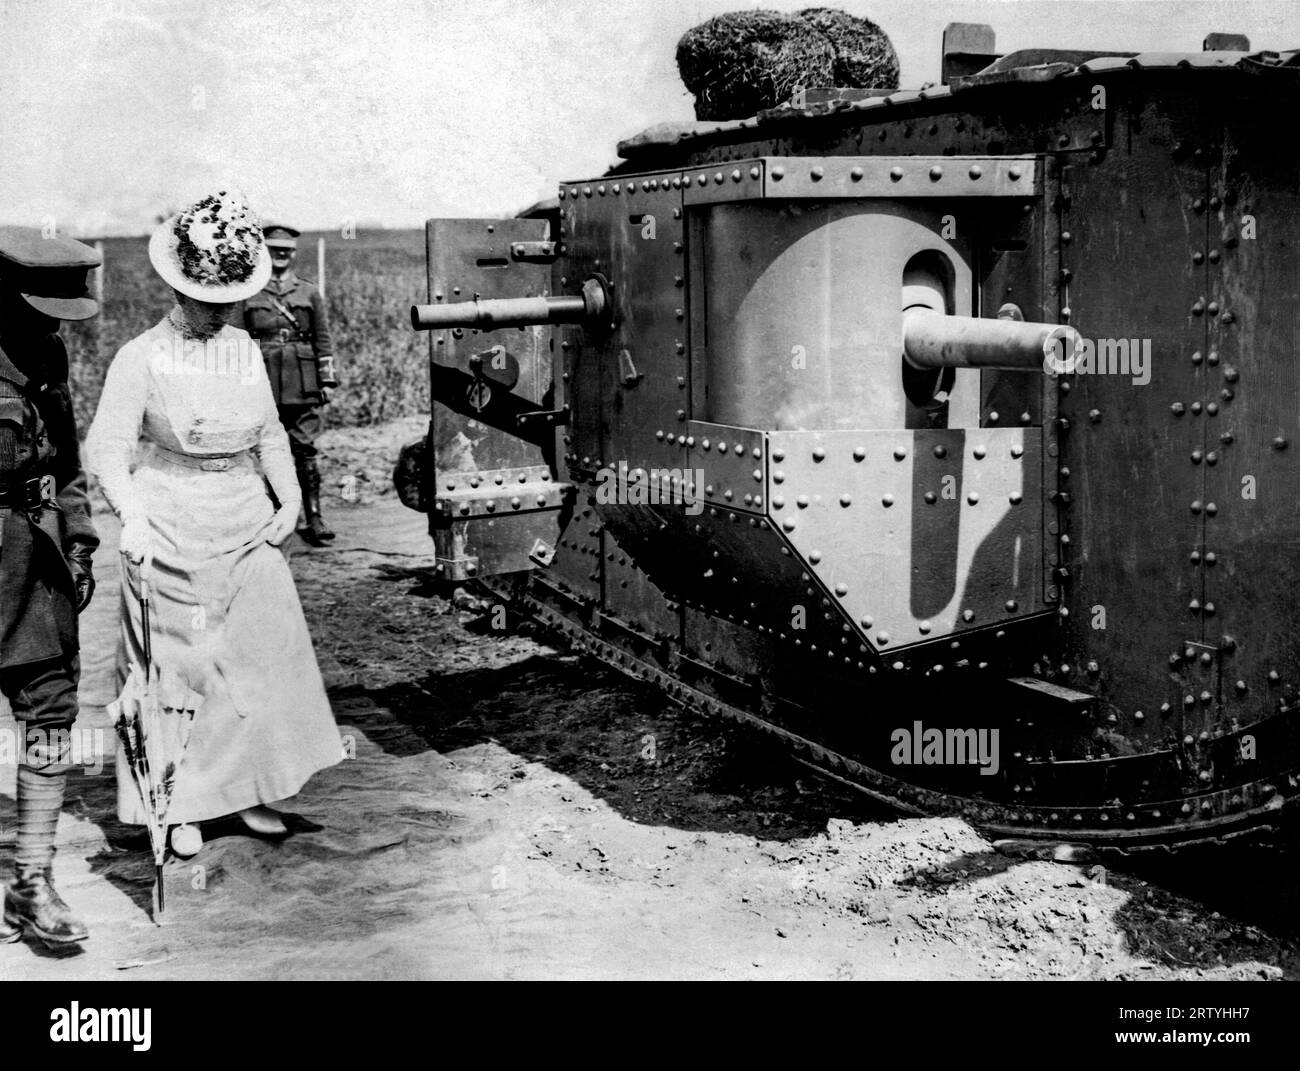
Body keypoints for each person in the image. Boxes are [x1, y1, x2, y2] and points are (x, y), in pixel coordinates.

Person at [85, 192, 341, 858]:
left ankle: (248, 786)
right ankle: (179, 801)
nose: (222, 313)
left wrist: (286, 502)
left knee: (254, 655)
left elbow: (271, 434)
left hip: (244, 520)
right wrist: (131, 516)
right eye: (208, 301)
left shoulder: (244, 351)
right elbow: (107, 448)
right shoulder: (140, 356)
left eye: (229, 300)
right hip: (170, 521)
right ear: (176, 287)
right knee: (180, 663)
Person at [0, 227, 100, 946]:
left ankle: (32, 879)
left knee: (50, 711)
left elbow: (66, 461)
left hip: (34, 560)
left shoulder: (49, 353)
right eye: (38, 308)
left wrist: (82, 539)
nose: (51, 325)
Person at [239, 223, 339, 545]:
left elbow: (322, 336)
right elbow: (239, 341)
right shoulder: (248, 291)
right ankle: (277, 515)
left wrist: (327, 378)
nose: (281, 254)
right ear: (263, 252)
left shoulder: (308, 291)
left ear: (294, 253)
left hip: (303, 378)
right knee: (269, 448)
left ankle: (315, 518)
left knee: (305, 449)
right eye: (274, 249)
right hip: (264, 378)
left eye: (287, 250)